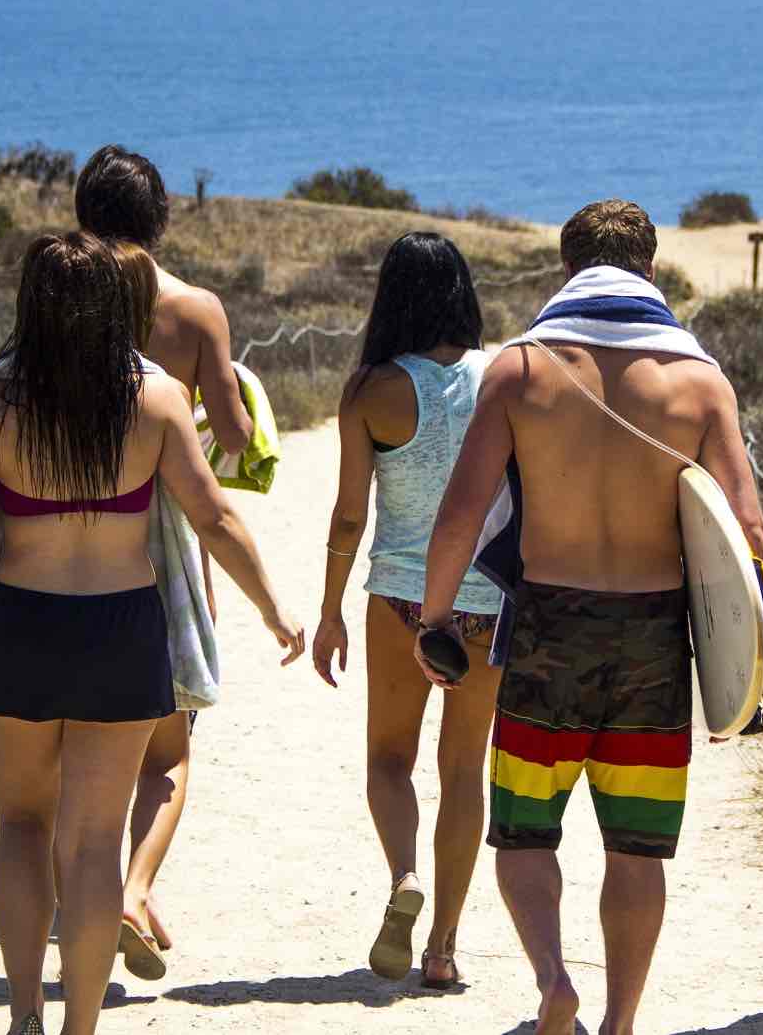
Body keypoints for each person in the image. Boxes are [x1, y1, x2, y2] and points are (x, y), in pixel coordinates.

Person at [0, 232, 303, 1035]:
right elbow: (214, 514)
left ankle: (24, 1011)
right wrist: (274, 607)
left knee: (21, 826)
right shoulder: (158, 399)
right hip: (122, 631)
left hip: (25, 627)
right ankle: (80, 1028)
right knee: (95, 844)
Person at [415, 200, 763, 1035]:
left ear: (566, 268)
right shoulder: (699, 380)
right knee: (637, 847)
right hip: (653, 636)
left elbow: (460, 516)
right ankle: (619, 1022)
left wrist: (434, 619)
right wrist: (754, 661)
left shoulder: (522, 370)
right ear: (649, 267)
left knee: (525, 832)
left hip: (549, 628)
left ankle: (552, 983)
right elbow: (746, 529)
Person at [74, 144, 252, 970]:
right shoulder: (194, 309)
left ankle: (82, 885)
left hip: (63, 522)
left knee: (76, 734)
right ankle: (133, 888)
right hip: (164, 537)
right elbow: (236, 445)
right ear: (160, 217)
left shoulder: (57, 294)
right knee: (169, 749)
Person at [312, 232, 504, 988]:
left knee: (388, 761)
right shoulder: (506, 379)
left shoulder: (372, 389)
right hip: (486, 605)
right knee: (462, 770)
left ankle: (402, 878)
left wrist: (328, 611)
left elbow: (347, 518)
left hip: (398, 598)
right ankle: (444, 947)